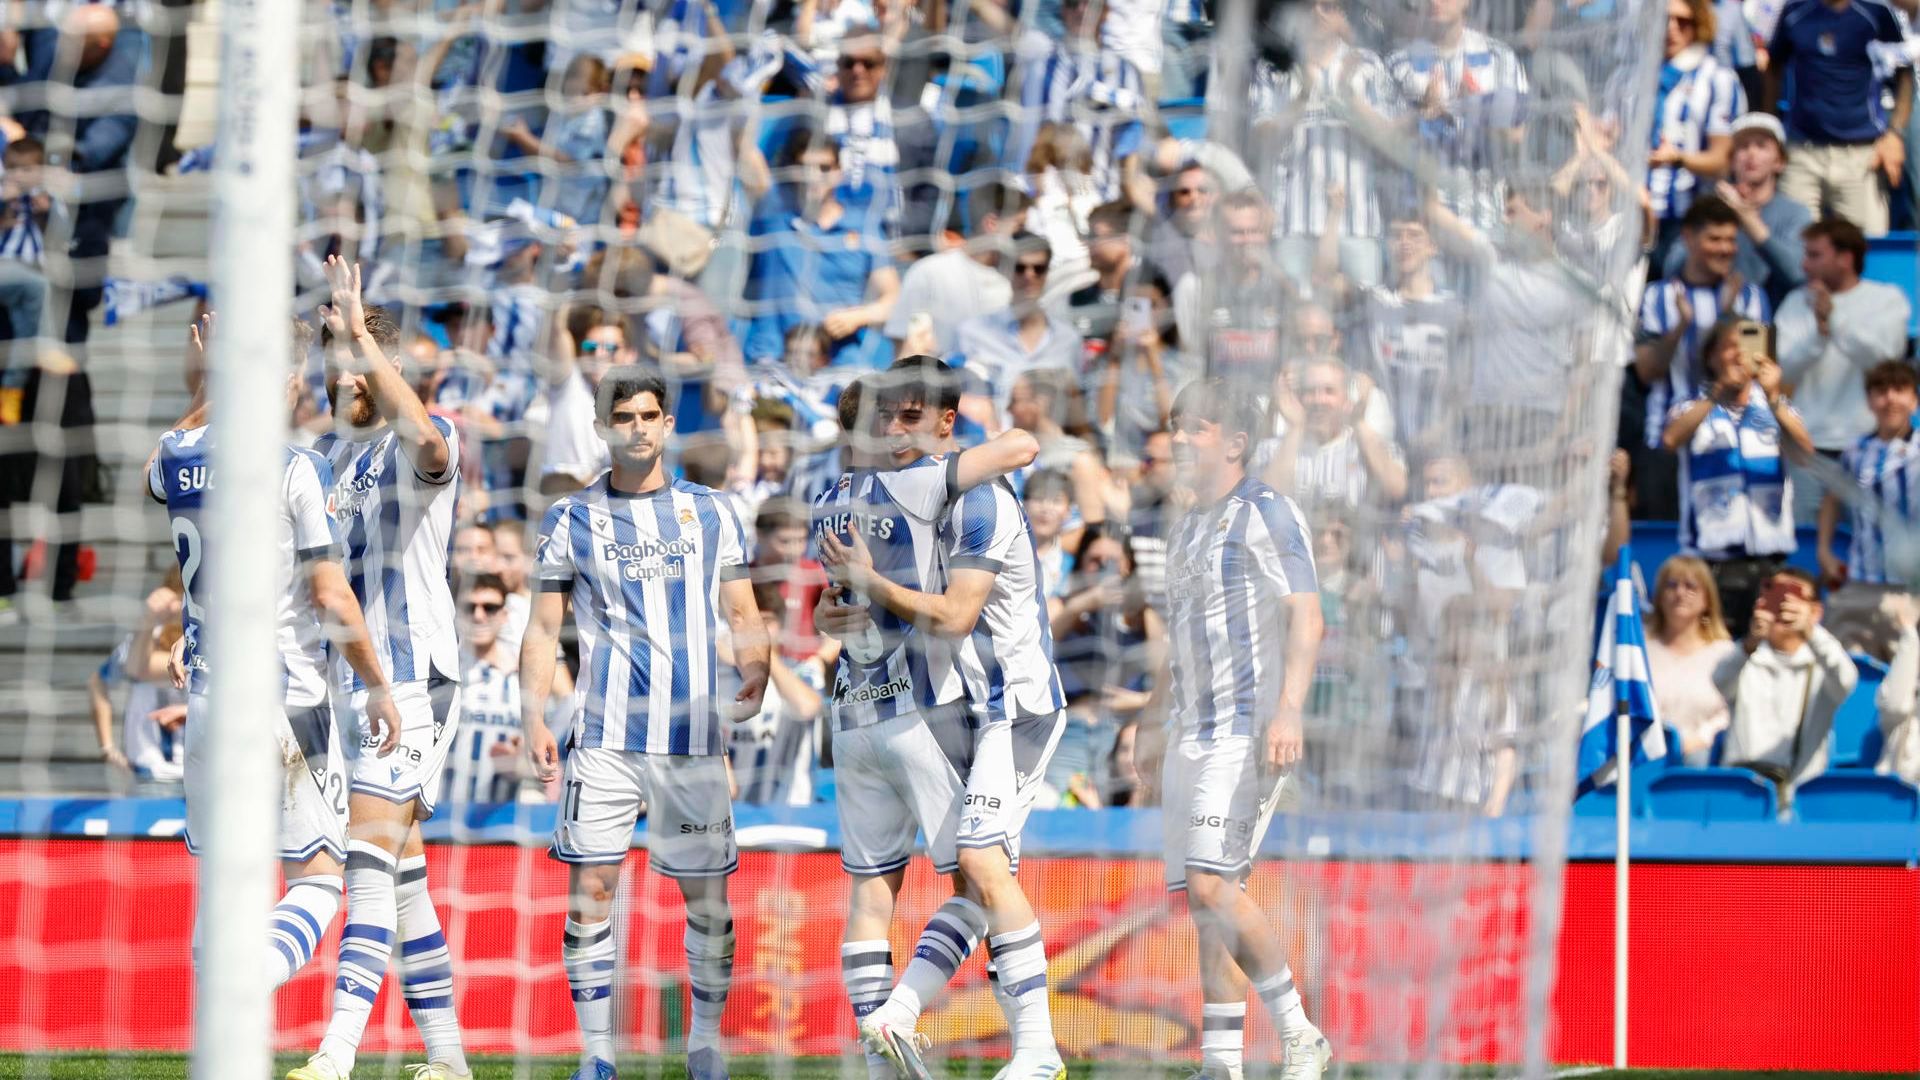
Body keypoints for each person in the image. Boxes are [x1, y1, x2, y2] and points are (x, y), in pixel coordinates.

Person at [517, 366, 773, 1080]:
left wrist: (757, 667)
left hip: (691, 739)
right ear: (601, 428)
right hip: (602, 738)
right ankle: (597, 1055)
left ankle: (704, 1046)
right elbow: (543, 628)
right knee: (593, 890)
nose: (636, 427)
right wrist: (533, 713)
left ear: (667, 425)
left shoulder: (712, 512)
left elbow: (744, 612)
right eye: (622, 416)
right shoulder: (570, 518)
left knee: (708, 899)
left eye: (649, 415)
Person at [817, 356, 1069, 1080]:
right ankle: (903, 1035)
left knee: (967, 874)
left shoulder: (923, 497)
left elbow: (948, 615)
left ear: (944, 422)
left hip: (1010, 704)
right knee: (977, 880)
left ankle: (1026, 1048)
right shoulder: (914, 491)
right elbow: (1021, 442)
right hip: (939, 709)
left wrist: (849, 597)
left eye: (908, 417)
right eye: (884, 417)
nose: (894, 432)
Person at [146, 314, 402, 1000]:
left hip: (204, 695)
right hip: (287, 701)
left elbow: (157, 463)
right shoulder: (299, 466)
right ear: (290, 382)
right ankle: (245, 986)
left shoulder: (175, 456)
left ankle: (219, 1037)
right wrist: (378, 685)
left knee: (222, 881)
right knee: (319, 879)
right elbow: (330, 594)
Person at [294, 258, 471, 1080]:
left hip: (415, 680)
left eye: (361, 370)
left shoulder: (424, 442)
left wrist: (362, 333)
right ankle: (449, 1059)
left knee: (365, 859)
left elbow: (429, 442)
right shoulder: (324, 459)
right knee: (401, 878)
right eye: (341, 371)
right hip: (350, 682)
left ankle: (335, 1054)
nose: (347, 382)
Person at [1136, 378, 1332, 1080]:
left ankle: (1298, 1029)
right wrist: (1149, 718)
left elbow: (1307, 615)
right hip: (1190, 730)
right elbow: (1187, 632)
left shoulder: (1266, 511)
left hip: (1245, 729)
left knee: (1213, 884)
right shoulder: (1190, 523)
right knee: (1206, 899)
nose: (1182, 439)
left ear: (1235, 442)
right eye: (1178, 427)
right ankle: (1220, 1061)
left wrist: (1289, 709)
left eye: (1198, 427)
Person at [1662, 317, 1814, 640]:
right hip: (1712, 564)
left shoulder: (1778, 408)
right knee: (1716, 661)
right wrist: (1716, 395)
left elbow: (1805, 453)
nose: (1738, 356)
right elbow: (1671, 439)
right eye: (1729, 347)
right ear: (1711, 357)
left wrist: (1774, 400)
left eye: (1745, 346)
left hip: (1770, 563)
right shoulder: (1692, 407)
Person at [1774, 217, 1914, 517]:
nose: (1804, 265)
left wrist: (1835, 321)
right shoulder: (1793, 302)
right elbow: (1781, 371)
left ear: (1845, 258)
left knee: (1868, 544)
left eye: (1814, 255)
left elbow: (1885, 363)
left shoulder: (1887, 300)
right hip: (1807, 453)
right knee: (1806, 546)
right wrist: (1819, 334)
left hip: (1869, 449)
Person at [1762, 0, 1912, 236]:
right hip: (1801, 151)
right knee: (1795, 247)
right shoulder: (1795, 12)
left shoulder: (1876, 13)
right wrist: (1771, 127)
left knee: (1865, 246)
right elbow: (1773, 69)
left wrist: (1894, 134)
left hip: (1861, 153)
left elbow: (1904, 73)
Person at [1714, 567, 1857, 802]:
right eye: (1776, 594)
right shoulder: (1746, 658)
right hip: (1739, 794)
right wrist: (1750, 642)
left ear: (1816, 611)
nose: (1784, 605)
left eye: (1795, 596)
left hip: (1799, 798)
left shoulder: (1822, 664)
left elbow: (1846, 679)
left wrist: (1810, 631)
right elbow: (1720, 680)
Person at [1817, 361, 1920, 658]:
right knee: (1842, 678)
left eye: (1899, 390)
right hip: (1860, 586)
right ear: (1869, 400)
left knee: (1906, 691)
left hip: (1910, 591)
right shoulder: (1855, 451)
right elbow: (1832, 499)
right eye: (1881, 391)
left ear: (1914, 400)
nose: (1890, 399)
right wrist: (1824, 550)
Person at [1660, 113, 1813, 308]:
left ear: (1779, 162)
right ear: (1731, 161)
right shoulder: (1710, 207)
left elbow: (1797, 274)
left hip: (1772, 324)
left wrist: (1747, 218)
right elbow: (1672, 267)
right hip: (1709, 318)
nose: (1751, 154)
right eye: (1743, 147)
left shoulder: (1796, 213)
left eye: (1761, 146)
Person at [948, 234, 1084, 432]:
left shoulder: (1069, 339)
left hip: (1051, 449)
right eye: (1020, 268)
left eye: (1039, 268)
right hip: (990, 446)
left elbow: (1076, 408)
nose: (1029, 275)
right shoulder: (973, 332)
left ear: (1047, 273)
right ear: (1008, 270)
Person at [1644, 0, 1745, 267]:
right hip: (1634, 213)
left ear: (1699, 25)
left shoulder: (1717, 80)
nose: (1671, 29)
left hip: (1686, 219)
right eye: (1664, 20)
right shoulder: (1630, 76)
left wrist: (1677, 158)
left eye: (1683, 22)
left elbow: (1722, 161)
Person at [728, 582, 827, 807]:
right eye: (752, 623)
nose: (758, 630)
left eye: (766, 622)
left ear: (782, 626)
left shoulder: (803, 670)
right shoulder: (719, 674)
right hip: (736, 814)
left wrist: (762, 658)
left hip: (794, 814)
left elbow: (808, 707)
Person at [86, 575, 187, 789]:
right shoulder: (144, 639)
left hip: (200, 774)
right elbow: (100, 681)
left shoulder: (209, 640)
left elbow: (144, 669)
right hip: (149, 775)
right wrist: (108, 748)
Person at [443, 573, 531, 808]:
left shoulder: (523, 681)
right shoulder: (442, 677)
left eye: (489, 607)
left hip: (500, 826)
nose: (479, 616)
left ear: (504, 616)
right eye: (470, 607)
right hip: (440, 819)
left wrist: (519, 764)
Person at [1645, 555, 1739, 763]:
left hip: (1704, 753)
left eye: (1691, 586)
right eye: (1671, 585)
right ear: (1660, 596)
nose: (1680, 593)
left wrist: (1701, 738)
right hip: (1647, 752)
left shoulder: (1726, 652)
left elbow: (1731, 709)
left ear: (1707, 599)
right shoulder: (1640, 650)